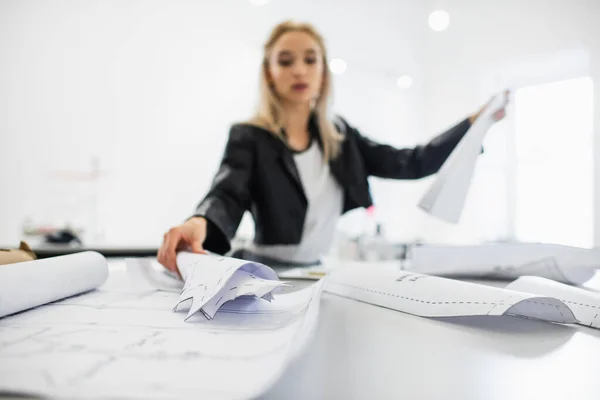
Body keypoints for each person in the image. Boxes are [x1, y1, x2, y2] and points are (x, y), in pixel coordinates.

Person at [157, 20, 508, 275]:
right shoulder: (250, 136)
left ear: (323, 72)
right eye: (285, 61)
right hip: (259, 271)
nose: (299, 70)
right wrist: (199, 221)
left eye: (311, 60)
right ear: (268, 74)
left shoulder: (340, 137)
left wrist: (473, 126)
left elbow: (410, 162)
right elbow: (227, 194)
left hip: (317, 271)